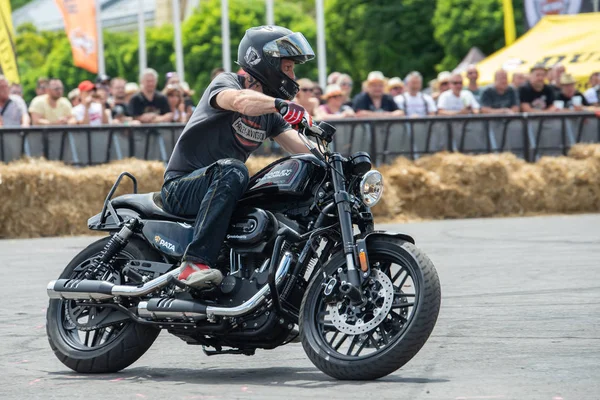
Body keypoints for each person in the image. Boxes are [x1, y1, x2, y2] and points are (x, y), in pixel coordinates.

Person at [161, 25, 317, 288]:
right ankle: (193, 263)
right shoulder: (227, 82)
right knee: (234, 171)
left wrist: (333, 162)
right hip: (182, 185)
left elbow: (301, 149)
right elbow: (240, 101)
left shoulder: (271, 116)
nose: (292, 76)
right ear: (266, 62)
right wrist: (281, 105)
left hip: (217, 190)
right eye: (288, 68)